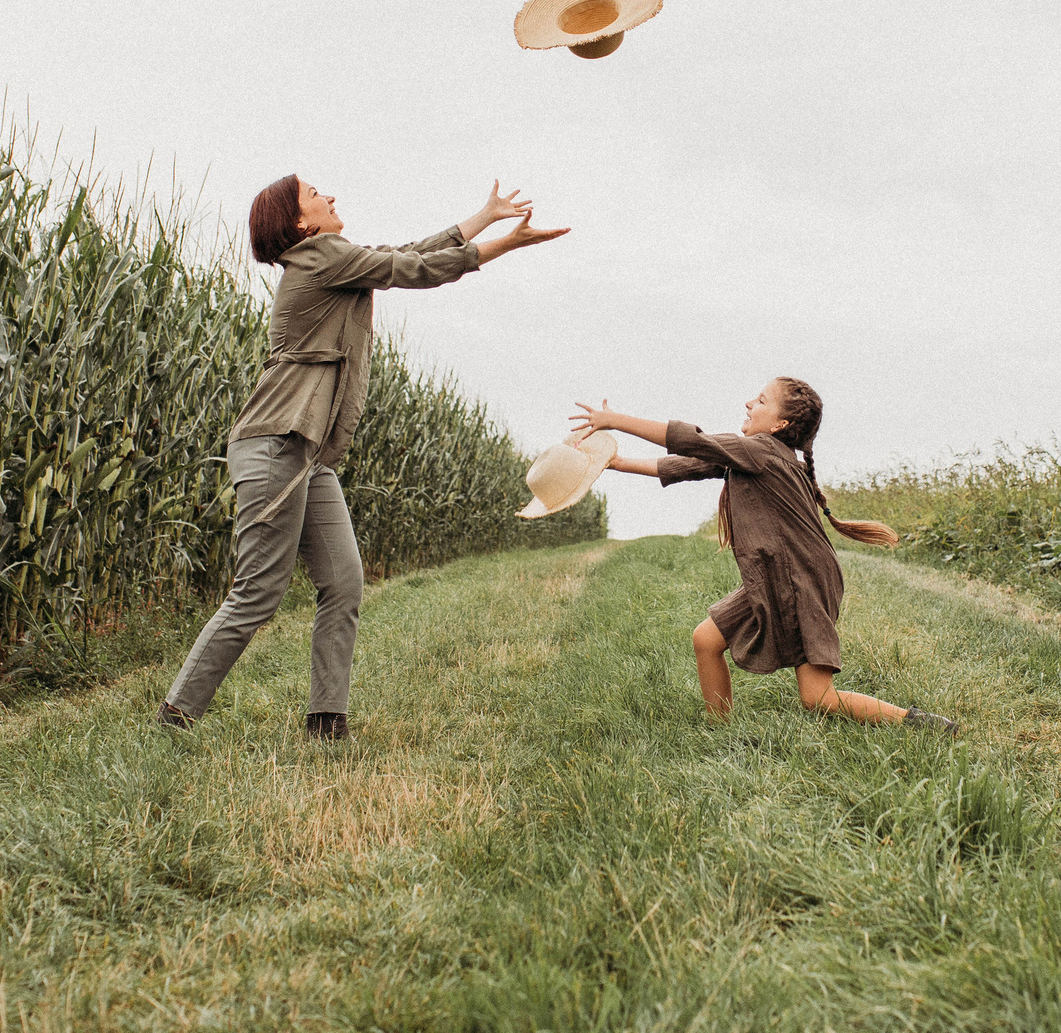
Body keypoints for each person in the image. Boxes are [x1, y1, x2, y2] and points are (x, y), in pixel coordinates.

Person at [160, 177, 566, 740]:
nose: (331, 197)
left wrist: (485, 217)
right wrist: (504, 244)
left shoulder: (334, 261)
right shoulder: (319, 257)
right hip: (277, 442)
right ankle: (175, 715)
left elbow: (405, 255)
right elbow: (417, 271)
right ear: (301, 224)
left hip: (309, 450)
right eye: (316, 194)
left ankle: (327, 722)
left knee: (344, 581)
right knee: (258, 591)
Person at [571, 378, 958, 732]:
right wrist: (617, 462)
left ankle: (920, 725)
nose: (748, 402)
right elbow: (690, 464)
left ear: (779, 426)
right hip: (777, 574)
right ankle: (719, 731)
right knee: (706, 640)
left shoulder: (761, 451)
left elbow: (691, 440)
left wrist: (615, 420)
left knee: (818, 698)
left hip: (798, 578)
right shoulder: (755, 454)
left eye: (760, 400)